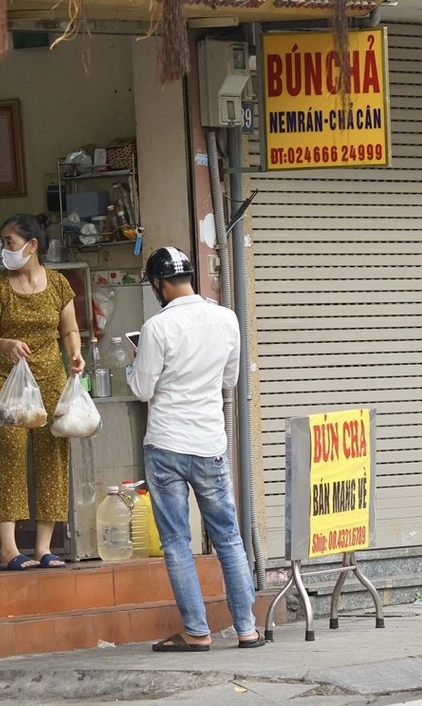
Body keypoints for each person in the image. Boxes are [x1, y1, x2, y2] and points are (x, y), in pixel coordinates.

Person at [126, 246, 265, 651]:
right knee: (228, 538)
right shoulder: (226, 318)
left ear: (157, 284)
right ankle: (247, 629)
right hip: (209, 445)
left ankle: (197, 631)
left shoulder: (156, 328)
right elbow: (229, 380)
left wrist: (133, 366)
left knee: (175, 541)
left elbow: (142, 389)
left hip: (166, 444)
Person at [0, 214, 85, 570]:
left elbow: (70, 330)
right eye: (3, 242)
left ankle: (44, 547)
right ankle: (8, 549)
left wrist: (76, 353)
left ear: (32, 245)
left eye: (8, 242)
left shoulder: (58, 284)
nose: (3, 249)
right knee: (12, 454)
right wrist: (6, 344)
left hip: (51, 379)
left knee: (53, 455)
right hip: (7, 382)